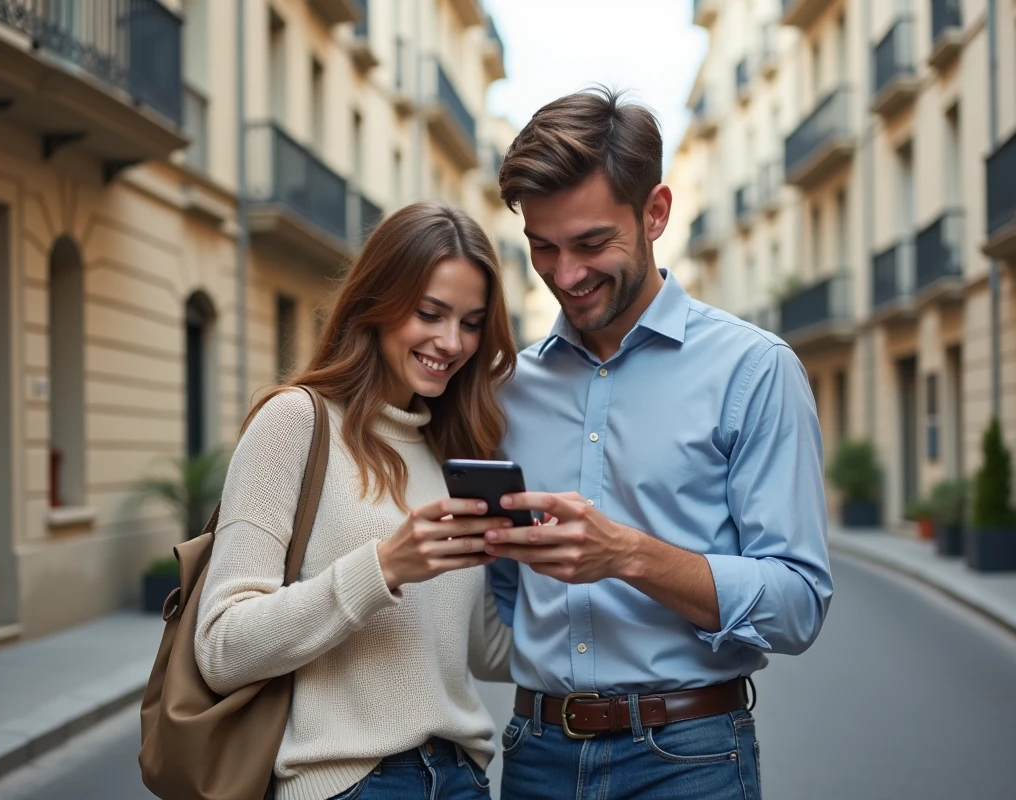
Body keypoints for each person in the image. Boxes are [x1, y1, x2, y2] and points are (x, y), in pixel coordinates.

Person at [484, 87, 835, 800]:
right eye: (542, 248)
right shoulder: (508, 388)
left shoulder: (753, 370)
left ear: (656, 213)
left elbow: (798, 603)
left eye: (590, 244)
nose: (565, 275)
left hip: (689, 762)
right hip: (535, 753)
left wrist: (628, 554)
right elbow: (498, 591)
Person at [194, 202, 519, 800]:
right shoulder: (294, 421)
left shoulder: (454, 450)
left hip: (461, 776)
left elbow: (483, 651)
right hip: (346, 782)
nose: (451, 342)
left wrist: (567, 563)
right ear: (377, 302)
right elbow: (222, 646)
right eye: (430, 313)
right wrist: (384, 567)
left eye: (471, 323)